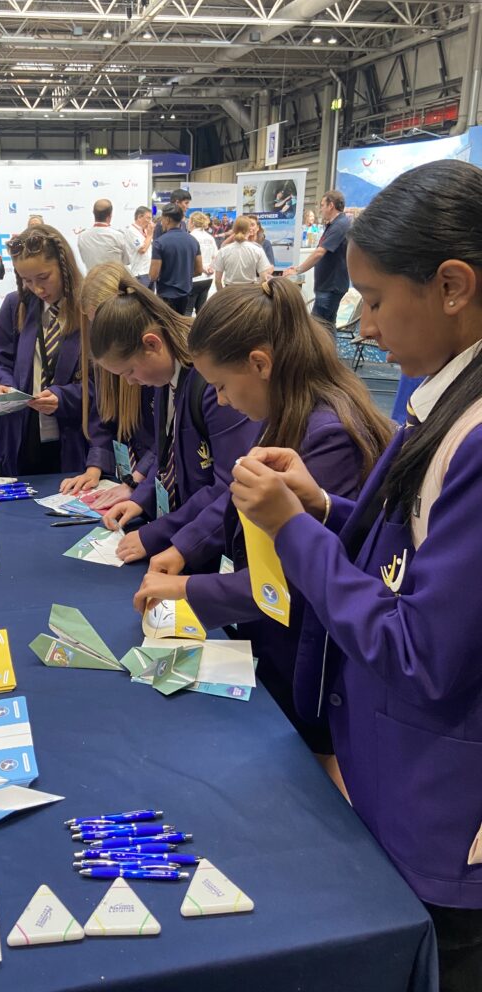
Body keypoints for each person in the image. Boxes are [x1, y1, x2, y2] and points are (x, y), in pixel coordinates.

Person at [231, 159, 482, 990]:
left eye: (374, 300)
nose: (364, 326)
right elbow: (411, 558)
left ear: (452, 286)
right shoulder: (440, 396)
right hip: (395, 781)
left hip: (443, 815)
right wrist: (328, 510)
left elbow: (421, 649)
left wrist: (293, 531)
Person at [132, 278, 391, 746]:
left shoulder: (326, 435)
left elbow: (295, 580)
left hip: (309, 658)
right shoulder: (285, 414)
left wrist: (187, 587)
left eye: (223, 387)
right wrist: (185, 548)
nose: (224, 401)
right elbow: (236, 494)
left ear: (259, 364)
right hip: (275, 641)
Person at [91, 282, 260, 570]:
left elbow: (229, 487)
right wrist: (141, 500)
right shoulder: (164, 378)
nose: (130, 382)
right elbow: (166, 451)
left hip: (216, 543)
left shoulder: (212, 385)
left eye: (130, 371)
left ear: (152, 344)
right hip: (190, 525)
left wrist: (163, 535)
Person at [0, 224, 87, 475]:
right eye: (26, 280)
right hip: (22, 432)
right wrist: (1, 384)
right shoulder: (15, 305)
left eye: (43, 278)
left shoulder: (89, 311)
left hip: (72, 438)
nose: (37, 288)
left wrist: (65, 397)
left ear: (64, 268)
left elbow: (107, 385)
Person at [60, 263, 156, 505]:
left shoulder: (153, 370)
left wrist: (136, 479)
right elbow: (102, 415)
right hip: (131, 478)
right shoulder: (105, 361)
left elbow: (164, 441)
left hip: (150, 478)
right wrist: (95, 465)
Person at [285, 190, 351, 335]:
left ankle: (321, 357)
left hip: (331, 285)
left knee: (318, 329)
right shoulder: (335, 224)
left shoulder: (340, 225)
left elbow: (320, 252)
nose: (320, 209)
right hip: (328, 284)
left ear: (331, 206)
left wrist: (298, 270)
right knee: (327, 327)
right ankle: (329, 356)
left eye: (322, 205)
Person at [149, 203, 202, 314]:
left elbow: (153, 275)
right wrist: (183, 275)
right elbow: (199, 270)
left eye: (162, 219)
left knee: (166, 327)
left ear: (167, 219)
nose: (161, 222)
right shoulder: (193, 241)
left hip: (166, 295)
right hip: (185, 293)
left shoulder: (160, 243)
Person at [213, 215, 272, 289]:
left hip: (229, 291)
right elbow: (263, 278)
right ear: (249, 230)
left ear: (234, 230)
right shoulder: (257, 250)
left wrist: (221, 294)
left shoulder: (223, 251)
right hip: (249, 291)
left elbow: (217, 280)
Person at [77, 199, 130, 270]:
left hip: (91, 279)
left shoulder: (82, 236)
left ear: (93, 213)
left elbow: (84, 259)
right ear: (110, 216)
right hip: (113, 280)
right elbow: (126, 261)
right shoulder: (118, 236)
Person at [187, 211, 217, 314]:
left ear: (192, 222)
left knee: (187, 310)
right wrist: (210, 268)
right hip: (207, 278)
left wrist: (202, 269)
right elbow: (215, 256)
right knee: (201, 310)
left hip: (194, 277)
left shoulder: (190, 237)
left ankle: (187, 330)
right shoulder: (210, 238)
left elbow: (190, 258)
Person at [124, 205, 154, 285]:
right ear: (140, 217)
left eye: (151, 219)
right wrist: (150, 235)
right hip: (140, 274)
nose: (150, 222)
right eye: (148, 218)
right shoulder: (131, 230)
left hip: (149, 272)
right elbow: (142, 249)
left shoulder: (145, 231)